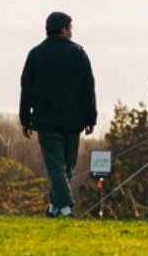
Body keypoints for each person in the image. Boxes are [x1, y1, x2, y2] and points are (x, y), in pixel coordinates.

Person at [19, 12, 97, 219]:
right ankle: (66, 208)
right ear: (63, 28)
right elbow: (89, 88)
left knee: (57, 167)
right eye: (70, 27)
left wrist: (25, 119)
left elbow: (26, 88)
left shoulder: (35, 54)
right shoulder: (78, 53)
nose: (71, 32)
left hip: (46, 119)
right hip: (73, 120)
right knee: (65, 167)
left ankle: (54, 207)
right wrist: (91, 118)